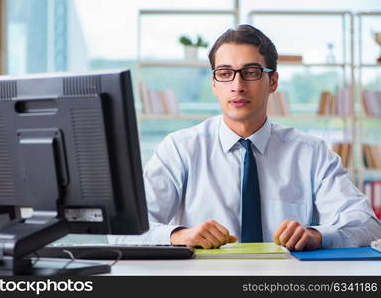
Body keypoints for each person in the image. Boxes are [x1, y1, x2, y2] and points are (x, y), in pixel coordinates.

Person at [109, 24, 381, 250]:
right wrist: (179, 236)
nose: (237, 86)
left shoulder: (311, 153)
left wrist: (317, 235)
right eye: (225, 74)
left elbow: (367, 225)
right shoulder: (180, 149)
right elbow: (124, 231)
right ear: (214, 84)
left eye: (250, 73)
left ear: (273, 81)